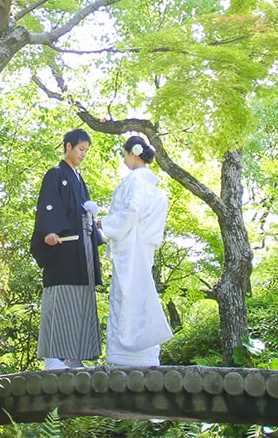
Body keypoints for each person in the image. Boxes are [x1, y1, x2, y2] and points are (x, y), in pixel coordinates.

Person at [30, 128, 104, 370]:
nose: (83, 154)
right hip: (63, 247)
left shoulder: (79, 178)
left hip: (82, 249)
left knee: (82, 298)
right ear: (68, 146)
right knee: (61, 296)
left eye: (86, 151)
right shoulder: (55, 174)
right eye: (80, 149)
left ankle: (74, 356)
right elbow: (48, 205)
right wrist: (49, 231)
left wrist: (95, 223)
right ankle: (53, 357)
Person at [100, 135, 172, 366]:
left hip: (131, 246)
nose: (124, 160)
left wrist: (106, 223)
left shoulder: (136, 182)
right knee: (138, 293)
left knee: (126, 296)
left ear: (133, 152)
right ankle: (144, 352)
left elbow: (131, 212)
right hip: (141, 246)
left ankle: (127, 353)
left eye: (125, 154)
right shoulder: (152, 187)